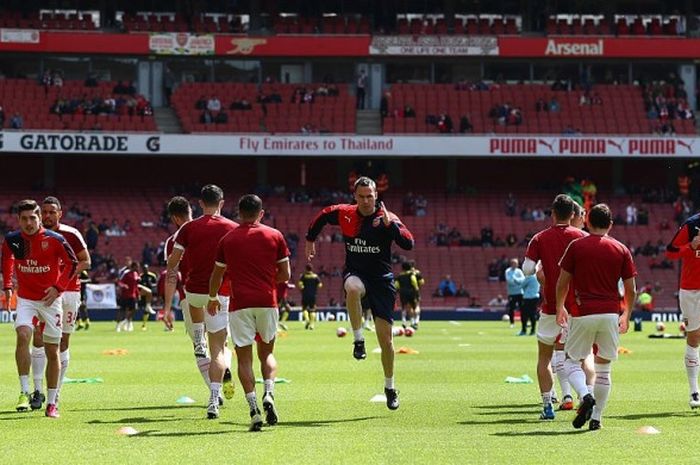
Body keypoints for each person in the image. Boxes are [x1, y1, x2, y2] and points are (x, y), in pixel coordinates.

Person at [305, 176, 414, 410]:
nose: (366, 200)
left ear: (376, 196)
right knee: (352, 288)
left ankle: (390, 387)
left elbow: (408, 244)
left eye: (370, 196)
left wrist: (390, 226)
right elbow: (323, 215)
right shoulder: (345, 213)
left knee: (387, 342)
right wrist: (310, 239)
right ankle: (358, 340)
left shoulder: (387, 218)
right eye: (361, 196)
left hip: (382, 282)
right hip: (357, 274)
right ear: (355, 196)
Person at [208, 194, 290, 431]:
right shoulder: (275, 235)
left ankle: (253, 408)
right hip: (267, 301)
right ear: (261, 213)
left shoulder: (228, 239)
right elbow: (285, 274)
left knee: (244, 359)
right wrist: (267, 280)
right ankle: (269, 394)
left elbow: (216, 275)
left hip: (239, 304)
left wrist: (213, 298)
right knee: (267, 354)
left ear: (239, 213)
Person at [556, 203, 636, 431]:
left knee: (571, 360)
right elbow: (631, 288)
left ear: (588, 222)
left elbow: (563, 282)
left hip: (582, 312)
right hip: (610, 313)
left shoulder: (576, 246)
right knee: (604, 369)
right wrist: (626, 314)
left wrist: (561, 307)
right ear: (610, 224)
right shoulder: (621, 249)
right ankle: (597, 418)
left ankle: (584, 395)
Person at [165, 186, 238, 419]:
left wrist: (166, 308)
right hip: (218, 293)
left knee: (201, 347)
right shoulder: (232, 228)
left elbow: (172, 264)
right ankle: (222, 375)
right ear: (222, 203)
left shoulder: (187, 229)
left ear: (199, 203)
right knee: (221, 346)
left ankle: (199, 340)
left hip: (192, 294)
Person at [1, 199, 78, 418]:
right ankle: (24, 391)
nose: (28, 223)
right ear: (18, 220)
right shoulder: (14, 240)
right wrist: (7, 285)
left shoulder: (55, 240)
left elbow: (72, 264)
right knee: (23, 335)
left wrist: (58, 287)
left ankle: (52, 402)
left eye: (32, 218)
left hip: (49, 301)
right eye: (23, 219)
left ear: (39, 218)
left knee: (52, 351)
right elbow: (6, 258)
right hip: (26, 299)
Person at [523, 194, 587, 420]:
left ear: (552, 213)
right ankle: (584, 396)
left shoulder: (539, 238)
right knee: (580, 357)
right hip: (578, 308)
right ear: (573, 214)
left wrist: (543, 266)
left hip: (551, 307)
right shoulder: (583, 237)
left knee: (544, 358)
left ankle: (547, 405)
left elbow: (527, 270)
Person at [27, 197, 91, 412]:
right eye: (44, 212)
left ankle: (56, 394)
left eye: (51, 212)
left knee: (62, 342)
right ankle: (37, 391)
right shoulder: (33, 236)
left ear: (60, 214)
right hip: (44, 293)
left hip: (70, 292)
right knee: (38, 337)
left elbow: (86, 261)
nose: (47, 216)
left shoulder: (71, 234)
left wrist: (63, 278)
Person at [666, 206, 700, 408]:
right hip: (692, 291)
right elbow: (670, 252)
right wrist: (691, 246)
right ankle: (695, 392)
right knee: (694, 337)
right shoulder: (692, 225)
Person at [396, 261, 420, 329]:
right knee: (414, 306)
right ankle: (415, 322)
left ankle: (404, 322)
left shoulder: (399, 276)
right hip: (412, 292)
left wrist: (399, 290)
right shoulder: (411, 275)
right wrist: (416, 289)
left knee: (404, 307)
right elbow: (414, 282)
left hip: (403, 293)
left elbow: (396, 285)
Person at [298, 264, 322, 330]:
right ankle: (312, 325)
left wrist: (303, 288)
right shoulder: (315, 276)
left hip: (305, 295)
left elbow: (300, 285)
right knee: (312, 309)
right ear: (312, 269)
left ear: (306, 269)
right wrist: (314, 288)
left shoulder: (303, 276)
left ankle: (307, 320)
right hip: (313, 295)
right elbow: (320, 285)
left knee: (304, 308)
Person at [505, 259, 525, 328]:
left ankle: (524, 322)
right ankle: (512, 323)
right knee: (511, 308)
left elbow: (523, 279)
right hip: (512, 293)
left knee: (522, 308)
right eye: (513, 263)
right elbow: (509, 281)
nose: (515, 265)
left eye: (516, 263)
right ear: (511, 264)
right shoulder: (508, 271)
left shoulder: (519, 271)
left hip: (520, 292)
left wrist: (516, 280)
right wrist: (518, 282)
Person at [138, 263, 158, 330]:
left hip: (150, 295)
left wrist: (152, 285)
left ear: (148, 269)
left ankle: (144, 324)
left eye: (146, 269)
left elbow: (155, 284)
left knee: (146, 310)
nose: (145, 270)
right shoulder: (141, 276)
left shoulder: (152, 276)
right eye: (144, 269)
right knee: (141, 308)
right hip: (143, 294)